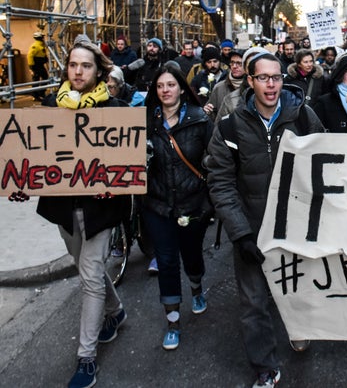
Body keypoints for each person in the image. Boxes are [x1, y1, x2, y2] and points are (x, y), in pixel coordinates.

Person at [205, 51, 324, 387]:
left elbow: (326, 161)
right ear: (251, 81)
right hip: (253, 227)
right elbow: (221, 181)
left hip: (297, 227)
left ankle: (299, 327)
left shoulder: (303, 117)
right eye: (263, 78)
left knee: (298, 286)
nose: (271, 84)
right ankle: (264, 368)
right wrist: (240, 234)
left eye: (276, 77)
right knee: (254, 303)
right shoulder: (229, 126)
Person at [35, 35, 129, 388]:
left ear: (98, 71)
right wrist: (22, 181)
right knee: (86, 269)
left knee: (89, 277)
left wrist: (115, 182)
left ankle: (85, 359)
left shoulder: (117, 112)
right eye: (73, 65)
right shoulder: (50, 106)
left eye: (85, 65)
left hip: (100, 211)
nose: (78, 71)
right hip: (64, 208)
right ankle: (116, 312)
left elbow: (130, 164)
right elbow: (35, 156)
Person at [143, 62, 213, 351]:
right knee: (167, 261)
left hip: (192, 204)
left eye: (170, 85)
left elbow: (214, 158)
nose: (165, 90)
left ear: (181, 89)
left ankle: (196, 285)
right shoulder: (146, 121)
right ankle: (172, 319)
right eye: (160, 86)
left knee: (191, 255)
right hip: (157, 205)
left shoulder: (199, 120)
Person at [205, 49, 244, 120]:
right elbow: (212, 116)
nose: (234, 66)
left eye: (239, 63)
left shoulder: (252, 87)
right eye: (232, 62)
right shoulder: (219, 87)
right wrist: (208, 111)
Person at [27, 31, 48, 100]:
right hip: (36, 65)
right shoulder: (35, 46)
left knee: (43, 77)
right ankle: (36, 95)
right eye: (42, 37)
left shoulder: (41, 45)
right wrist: (31, 67)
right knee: (37, 79)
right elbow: (30, 56)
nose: (43, 38)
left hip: (39, 64)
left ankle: (40, 93)